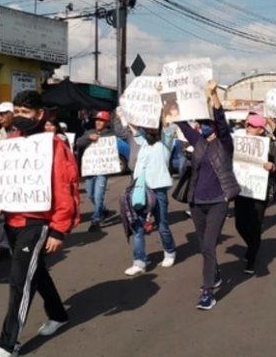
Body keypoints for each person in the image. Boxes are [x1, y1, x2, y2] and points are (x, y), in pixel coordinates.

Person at [0, 90, 77, 357]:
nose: (20, 116)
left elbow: (65, 188)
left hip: (37, 222)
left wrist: (59, 229)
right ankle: (59, 315)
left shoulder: (54, 146)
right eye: (17, 111)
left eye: (26, 112)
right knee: (36, 273)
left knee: (19, 281)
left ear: (39, 115)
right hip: (12, 219)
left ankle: (7, 343)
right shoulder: (11, 142)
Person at [178, 80, 240, 311]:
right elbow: (181, 123)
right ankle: (213, 274)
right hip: (196, 203)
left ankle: (207, 292)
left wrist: (214, 95)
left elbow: (222, 122)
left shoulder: (225, 143)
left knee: (208, 245)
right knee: (205, 245)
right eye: (201, 123)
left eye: (206, 123)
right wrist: (165, 97)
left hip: (218, 202)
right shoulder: (199, 142)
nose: (202, 126)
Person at [123, 116, 177, 276]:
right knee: (137, 225)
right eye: (148, 127)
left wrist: (164, 114)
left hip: (158, 190)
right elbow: (133, 128)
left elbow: (169, 125)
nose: (151, 130)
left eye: (154, 127)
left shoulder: (165, 142)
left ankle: (169, 251)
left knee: (161, 224)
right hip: (140, 189)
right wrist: (126, 113)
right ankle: (139, 261)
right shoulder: (143, 142)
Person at [233, 113, 276, 275]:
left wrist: (272, 166)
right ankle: (252, 245)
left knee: (254, 226)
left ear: (261, 130)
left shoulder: (270, 145)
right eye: (247, 124)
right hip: (242, 189)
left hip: (259, 191)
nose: (248, 128)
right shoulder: (238, 141)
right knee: (239, 224)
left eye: (252, 126)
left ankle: (252, 258)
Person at [75, 111, 114, 232]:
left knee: (98, 196)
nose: (98, 122)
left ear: (106, 122)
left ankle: (95, 220)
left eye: (101, 120)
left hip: (102, 171)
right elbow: (78, 143)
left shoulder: (110, 134)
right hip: (90, 170)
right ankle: (104, 210)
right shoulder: (89, 132)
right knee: (91, 195)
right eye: (97, 119)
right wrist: (88, 137)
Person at [0, 102, 17, 261]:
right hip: (3, 179)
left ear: (13, 114)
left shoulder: (23, 131)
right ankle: (3, 247)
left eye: (3, 114)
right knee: (2, 215)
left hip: (21, 179)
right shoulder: (1, 133)